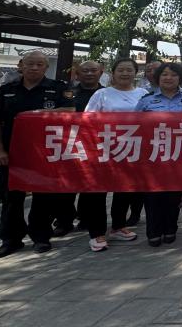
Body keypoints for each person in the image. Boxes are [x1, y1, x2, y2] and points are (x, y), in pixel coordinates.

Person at [0, 51, 74, 258]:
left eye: (39, 64)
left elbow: (70, 111)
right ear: (21, 66)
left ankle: (41, 236)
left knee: (44, 196)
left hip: (45, 153)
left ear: (46, 67)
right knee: (10, 197)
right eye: (30, 64)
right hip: (11, 153)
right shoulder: (5, 90)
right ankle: (10, 239)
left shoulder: (58, 88)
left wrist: (39, 114)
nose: (34, 68)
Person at [84, 58, 151, 247]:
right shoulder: (102, 94)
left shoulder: (143, 93)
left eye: (129, 70)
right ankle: (97, 232)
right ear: (113, 72)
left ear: (135, 73)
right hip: (104, 148)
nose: (125, 73)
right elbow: (87, 119)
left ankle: (118, 226)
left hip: (131, 148)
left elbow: (150, 120)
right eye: (121, 70)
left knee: (125, 188)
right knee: (98, 190)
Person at [135, 62, 182, 247]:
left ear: (180, 78)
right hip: (153, 155)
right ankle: (153, 231)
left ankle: (170, 229)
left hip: (179, 153)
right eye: (165, 74)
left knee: (173, 194)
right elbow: (133, 126)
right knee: (153, 194)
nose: (169, 78)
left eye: (173, 75)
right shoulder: (146, 100)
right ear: (158, 78)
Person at [53, 60, 103, 237]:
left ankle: (86, 218)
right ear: (77, 73)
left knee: (92, 184)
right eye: (85, 71)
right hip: (69, 142)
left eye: (93, 70)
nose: (89, 74)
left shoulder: (106, 93)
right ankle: (64, 221)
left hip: (96, 144)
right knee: (66, 185)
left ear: (101, 72)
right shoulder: (67, 92)